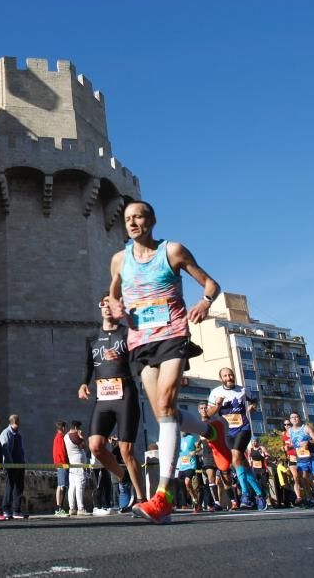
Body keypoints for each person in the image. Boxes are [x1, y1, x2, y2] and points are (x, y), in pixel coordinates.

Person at [107, 200, 231, 524]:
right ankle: (211, 430)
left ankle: (164, 496)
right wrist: (116, 308)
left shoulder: (172, 251)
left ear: (152, 220)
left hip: (173, 334)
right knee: (165, 413)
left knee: (165, 401)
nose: (133, 223)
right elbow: (113, 296)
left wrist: (205, 303)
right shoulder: (120, 260)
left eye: (139, 217)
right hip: (140, 342)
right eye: (128, 219)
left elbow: (211, 285)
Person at [78, 296, 147, 511]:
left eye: (111, 304)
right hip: (103, 395)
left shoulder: (127, 333)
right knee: (95, 446)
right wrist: (83, 384)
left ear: (118, 309)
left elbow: (139, 364)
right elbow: (88, 365)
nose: (107, 307)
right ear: (99, 308)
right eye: (103, 304)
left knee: (126, 449)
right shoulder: (92, 338)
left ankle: (142, 498)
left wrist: (121, 359)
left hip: (125, 393)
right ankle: (123, 477)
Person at [207, 367, 265, 510]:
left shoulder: (243, 390)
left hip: (243, 428)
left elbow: (254, 401)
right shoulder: (215, 393)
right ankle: (260, 493)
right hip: (227, 432)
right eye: (225, 376)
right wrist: (218, 405)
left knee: (236, 456)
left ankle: (245, 495)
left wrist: (252, 407)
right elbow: (209, 413)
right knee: (241, 464)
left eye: (230, 375)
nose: (229, 377)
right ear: (221, 379)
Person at [285, 412, 314, 506]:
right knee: (304, 479)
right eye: (292, 417)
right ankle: (311, 498)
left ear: (299, 418)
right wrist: (288, 447)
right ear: (290, 420)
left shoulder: (306, 428)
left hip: (312, 457)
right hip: (301, 458)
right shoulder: (289, 431)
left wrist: (308, 442)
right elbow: (294, 444)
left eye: (296, 417)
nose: (294, 419)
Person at [0, 414, 27, 519]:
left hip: (20, 464)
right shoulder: (6, 433)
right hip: (11, 465)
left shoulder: (18, 434)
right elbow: (5, 449)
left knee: (19, 487)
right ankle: (6, 509)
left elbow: (21, 449)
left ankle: (16, 510)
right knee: (9, 487)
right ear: (15, 422)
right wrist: (10, 463)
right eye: (18, 422)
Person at [65, 421, 89, 515]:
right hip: (78, 464)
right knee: (80, 486)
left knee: (72, 487)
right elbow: (84, 446)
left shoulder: (66, 436)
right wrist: (82, 437)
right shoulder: (75, 436)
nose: (80, 429)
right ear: (75, 427)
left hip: (72, 464)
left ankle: (72, 508)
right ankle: (81, 508)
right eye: (79, 428)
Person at [177, 432, 201, 513]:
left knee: (187, 483)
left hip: (191, 465)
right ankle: (193, 501)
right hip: (182, 467)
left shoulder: (191, 437)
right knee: (185, 486)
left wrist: (195, 451)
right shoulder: (179, 439)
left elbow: (199, 448)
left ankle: (195, 503)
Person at [53, 421, 69, 516]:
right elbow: (62, 452)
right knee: (63, 486)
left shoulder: (57, 437)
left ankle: (58, 508)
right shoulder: (60, 438)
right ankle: (60, 508)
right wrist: (65, 464)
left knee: (60, 485)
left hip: (59, 463)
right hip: (62, 464)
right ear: (62, 427)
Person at [247, 437, 270, 504]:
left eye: (255, 441)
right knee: (255, 484)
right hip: (254, 469)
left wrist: (265, 456)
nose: (254, 443)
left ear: (258, 442)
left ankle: (267, 499)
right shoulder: (250, 449)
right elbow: (249, 458)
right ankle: (257, 500)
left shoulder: (261, 448)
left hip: (262, 468)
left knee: (264, 484)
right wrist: (249, 464)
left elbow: (267, 455)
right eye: (253, 442)